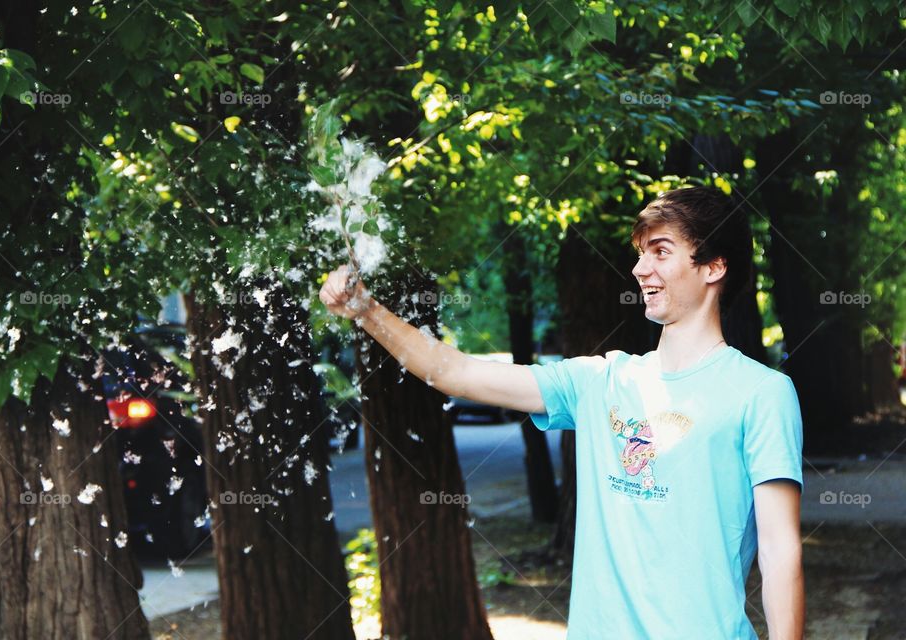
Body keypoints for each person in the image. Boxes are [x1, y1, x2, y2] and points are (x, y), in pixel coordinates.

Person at [319, 186, 804, 640]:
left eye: (660, 251)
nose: (639, 268)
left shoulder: (761, 393)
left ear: (713, 267)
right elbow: (455, 372)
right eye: (640, 253)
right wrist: (367, 310)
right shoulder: (598, 382)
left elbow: (780, 551)